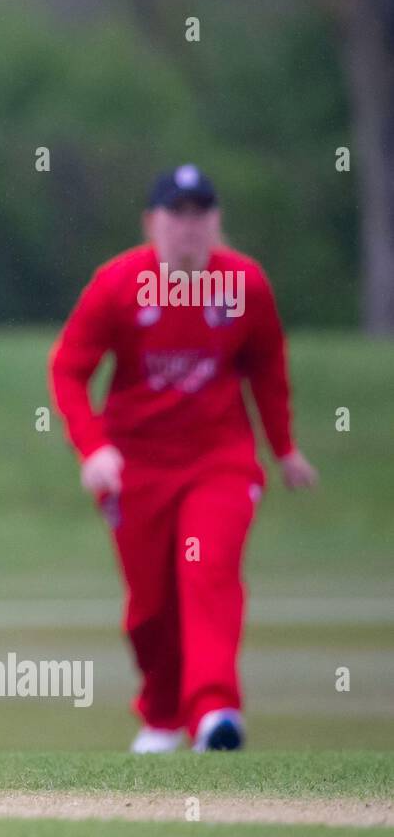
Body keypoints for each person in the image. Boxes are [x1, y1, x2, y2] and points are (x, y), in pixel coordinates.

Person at [48, 164, 318, 753]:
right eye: (177, 214)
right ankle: (163, 715)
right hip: (136, 468)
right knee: (151, 607)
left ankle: (215, 711)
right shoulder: (119, 284)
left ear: (217, 221)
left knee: (207, 574)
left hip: (218, 460)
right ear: (152, 223)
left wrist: (284, 449)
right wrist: (93, 449)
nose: (190, 227)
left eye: (202, 214)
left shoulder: (245, 284)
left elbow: (268, 370)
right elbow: (69, 369)